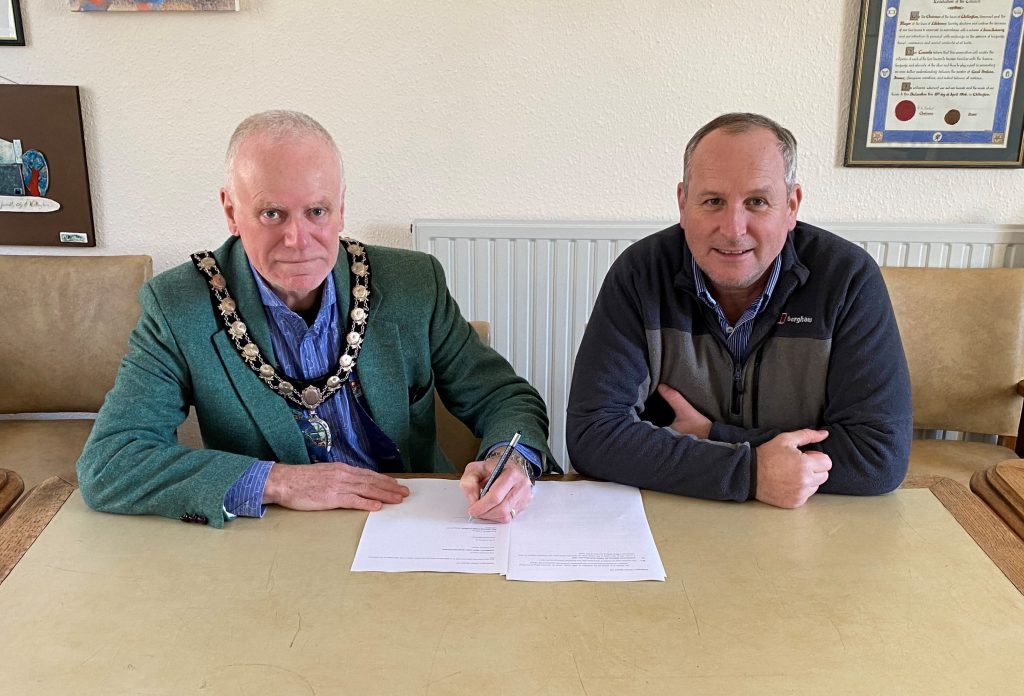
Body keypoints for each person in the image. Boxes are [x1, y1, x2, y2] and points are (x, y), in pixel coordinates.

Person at [77, 110, 556, 528]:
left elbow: (503, 396)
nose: (298, 239)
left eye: (317, 211)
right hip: (273, 537)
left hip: (410, 522)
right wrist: (279, 482)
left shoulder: (413, 283)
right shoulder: (178, 304)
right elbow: (110, 463)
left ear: (341, 207)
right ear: (230, 210)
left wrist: (508, 459)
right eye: (271, 214)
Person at [566, 112, 911, 508]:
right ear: (683, 203)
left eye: (757, 202)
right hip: (674, 515)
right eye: (713, 201)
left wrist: (714, 434)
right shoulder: (640, 273)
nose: (733, 229)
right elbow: (591, 435)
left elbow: (878, 456)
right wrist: (750, 473)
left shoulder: (847, 278)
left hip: (807, 521)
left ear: (791, 205)